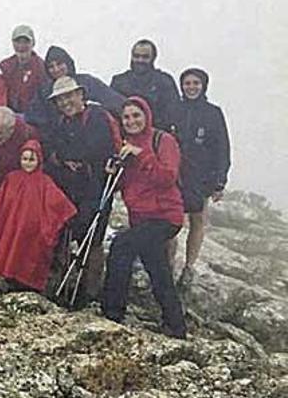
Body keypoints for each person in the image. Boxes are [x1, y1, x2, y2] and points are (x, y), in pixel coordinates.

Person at [103, 97, 187, 339]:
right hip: (140, 218)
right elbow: (124, 184)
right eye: (127, 117)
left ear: (146, 115)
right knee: (157, 268)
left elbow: (168, 177)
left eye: (136, 115)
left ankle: (112, 312)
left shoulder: (163, 140)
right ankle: (175, 324)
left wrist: (141, 156)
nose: (131, 121)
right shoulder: (125, 145)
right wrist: (113, 171)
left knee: (122, 245)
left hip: (165, 216)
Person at [44, 76, 120, 304]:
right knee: (67, 231)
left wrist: (69, 157)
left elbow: (95, 148)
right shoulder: (62, 123)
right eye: (60, 99)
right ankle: (65, 286)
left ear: (80, 94)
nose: (65, 102)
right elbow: (56, 151)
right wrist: (65, 159)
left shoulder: (98, 116)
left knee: (93, 237)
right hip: (71, 185)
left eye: (69, 96)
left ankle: (89, 292)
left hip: (96, 185)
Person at [170, 68, 231, 286]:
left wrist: (220, 180)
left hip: (202, 174)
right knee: (173, 221)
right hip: (175, 173)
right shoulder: (174, 109)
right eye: (187, 83)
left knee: (197, 220)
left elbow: (222, 147)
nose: (191, 87)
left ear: (204, 85)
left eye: (196, 83)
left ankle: (189, 266)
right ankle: (168, 264)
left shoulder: (213, 112)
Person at [0, 140, 76, 292]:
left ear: (38, 160)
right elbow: (0, 202)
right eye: (24, 159)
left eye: (31, 159)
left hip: (33, 232)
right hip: (13, 227)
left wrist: (65, 215)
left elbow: (59, 203)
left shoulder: (45, 181)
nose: (28, 163)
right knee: (10, 252)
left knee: (29, 256)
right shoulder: (12, 178)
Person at [26, 45, 124, 139]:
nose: (56, 69)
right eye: (51, 66)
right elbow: (33, 117)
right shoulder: (44, 91)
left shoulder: (88, 82)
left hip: (94, 134)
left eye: (59, 64)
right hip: (59, 140)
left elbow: (115, 102)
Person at [110, 39, 180, 131]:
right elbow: (111, 113)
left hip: (156, 138)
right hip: (125, 137)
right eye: (136, 56)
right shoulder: (119, 82)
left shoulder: (165, 82)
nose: (140, 60)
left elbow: (173, 114)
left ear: (153, 58)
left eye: (145, 57)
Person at [0, 25, 47, 114]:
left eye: (26, 42)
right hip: (10, 115)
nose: (21, 46)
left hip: (35, 116)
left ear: (33, 43)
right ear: (13, 44)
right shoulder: (6, 67)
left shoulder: (42, 68)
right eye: (18, 42)